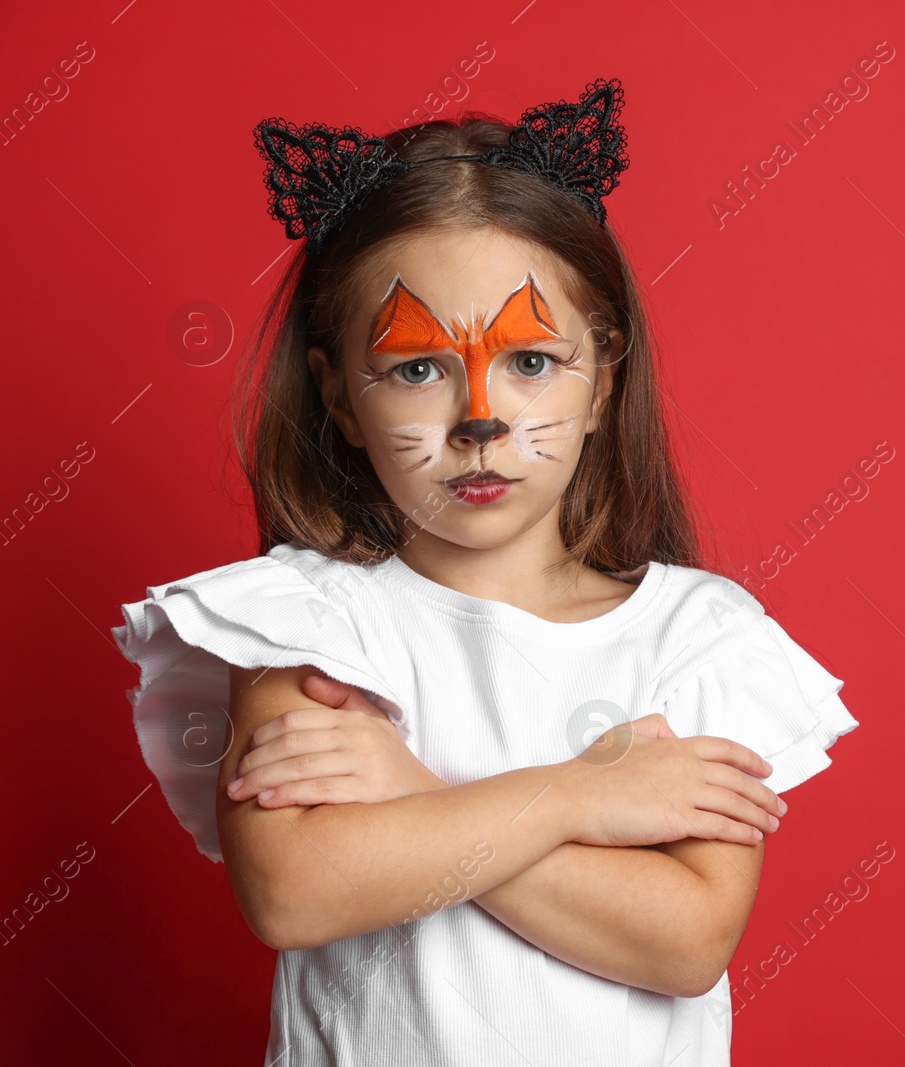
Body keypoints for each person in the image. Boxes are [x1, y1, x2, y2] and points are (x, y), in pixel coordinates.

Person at [109, 78, 859, 1067]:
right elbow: (297, 890)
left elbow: (683, 940)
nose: (480, 419)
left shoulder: (698, 634)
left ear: (604, 380)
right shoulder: (307, 621)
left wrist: (408, 789)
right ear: (338, 395)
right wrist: (578, 795)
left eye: (533, 362)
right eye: (417, 368)